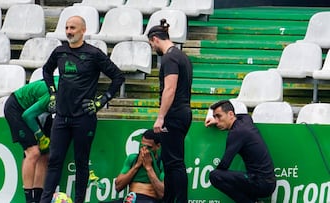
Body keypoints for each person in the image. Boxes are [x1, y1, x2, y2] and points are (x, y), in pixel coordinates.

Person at [39, 15, 125, 203]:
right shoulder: (59, 52)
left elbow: (118, 77)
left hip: (84, 118)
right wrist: (52, 92)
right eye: (67, 27)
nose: (69, 31)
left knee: (81, 163)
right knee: (54, 161)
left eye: (73, 28)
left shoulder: (94, 54)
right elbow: (46, 70)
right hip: (61, 117)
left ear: (83, 30)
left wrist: (101, 101)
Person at [148, 19, 193, 202]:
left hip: (174, 114)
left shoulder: (170, 57)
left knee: (174, 163)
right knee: (170, 162)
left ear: (155, 39)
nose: (152, 48)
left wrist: (161, 117)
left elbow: (170, 88)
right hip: (182, 112)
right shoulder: (182, 56)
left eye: (151, 44)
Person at [204, 100, 276, 203]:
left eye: (219, 116)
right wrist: (217, 120)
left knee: (215, 175)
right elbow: (242, 115)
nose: (217, 121)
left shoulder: (236, 133)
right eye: (215, 117)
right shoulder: (246, 119)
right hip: (268, 182)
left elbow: (224, 164)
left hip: (260, 183)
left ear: (231, 114)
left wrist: (219, 174)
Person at [4, 76, 59, 203]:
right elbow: (27, 116)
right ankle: (29, 200)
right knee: (33, 152)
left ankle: (38, 198)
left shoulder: (71, 86)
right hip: (17, 108)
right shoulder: (55, 95)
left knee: (45, 154)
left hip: (33, 110)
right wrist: (40, 136)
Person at [115, 129, 164, 203]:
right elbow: (118, 187)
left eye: (149, 147)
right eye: (142, 146)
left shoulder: (162, 163)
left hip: (149, 199)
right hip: (131, 198)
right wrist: (136, 166)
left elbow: (162, 193)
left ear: (158, 146)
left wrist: (149, 168)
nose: (144, 150)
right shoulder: (132, 158)